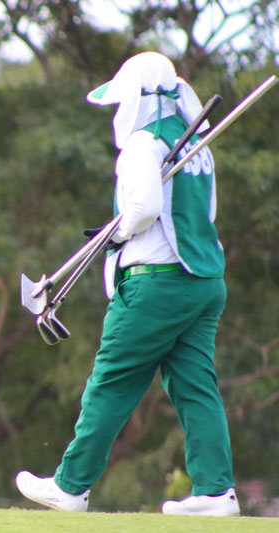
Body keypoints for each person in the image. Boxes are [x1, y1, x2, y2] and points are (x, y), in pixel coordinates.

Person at [15, 52, 239, 516]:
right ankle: (217, 492)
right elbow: (204, 212)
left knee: (111, 383)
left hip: (155, 285)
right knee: (196, 386)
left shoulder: (144, 142)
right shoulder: (196, 142)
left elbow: (143, 209)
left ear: (138, 96)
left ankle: (70, 486)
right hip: (203, 281)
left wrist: (115, 234)